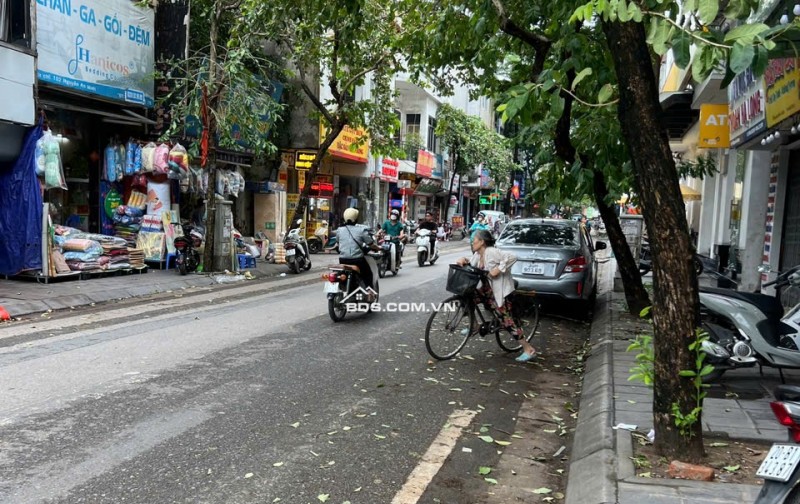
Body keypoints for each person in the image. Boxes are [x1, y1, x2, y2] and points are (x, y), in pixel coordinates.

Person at [456, 229, 536, 362]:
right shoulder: (477, 254)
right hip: (488, 290)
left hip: (501, 292)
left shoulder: (491, 252)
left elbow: (512, 257)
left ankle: (529, 349)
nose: (472, 242)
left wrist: (498, 269)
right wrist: (463, 260)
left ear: (482, 242)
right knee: (466, 297)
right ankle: (474, 325)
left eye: (474, 240)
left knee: (507, 322)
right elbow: (472, 263)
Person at [336, 208, 380, 292]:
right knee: (368, 274)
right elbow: (371, 244)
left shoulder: (339, 230)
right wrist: (379, 248)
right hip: (357, 260)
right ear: (356, 219)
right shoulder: (361, 230)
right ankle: (369, 292)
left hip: (343, 259)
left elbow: (338, 243)